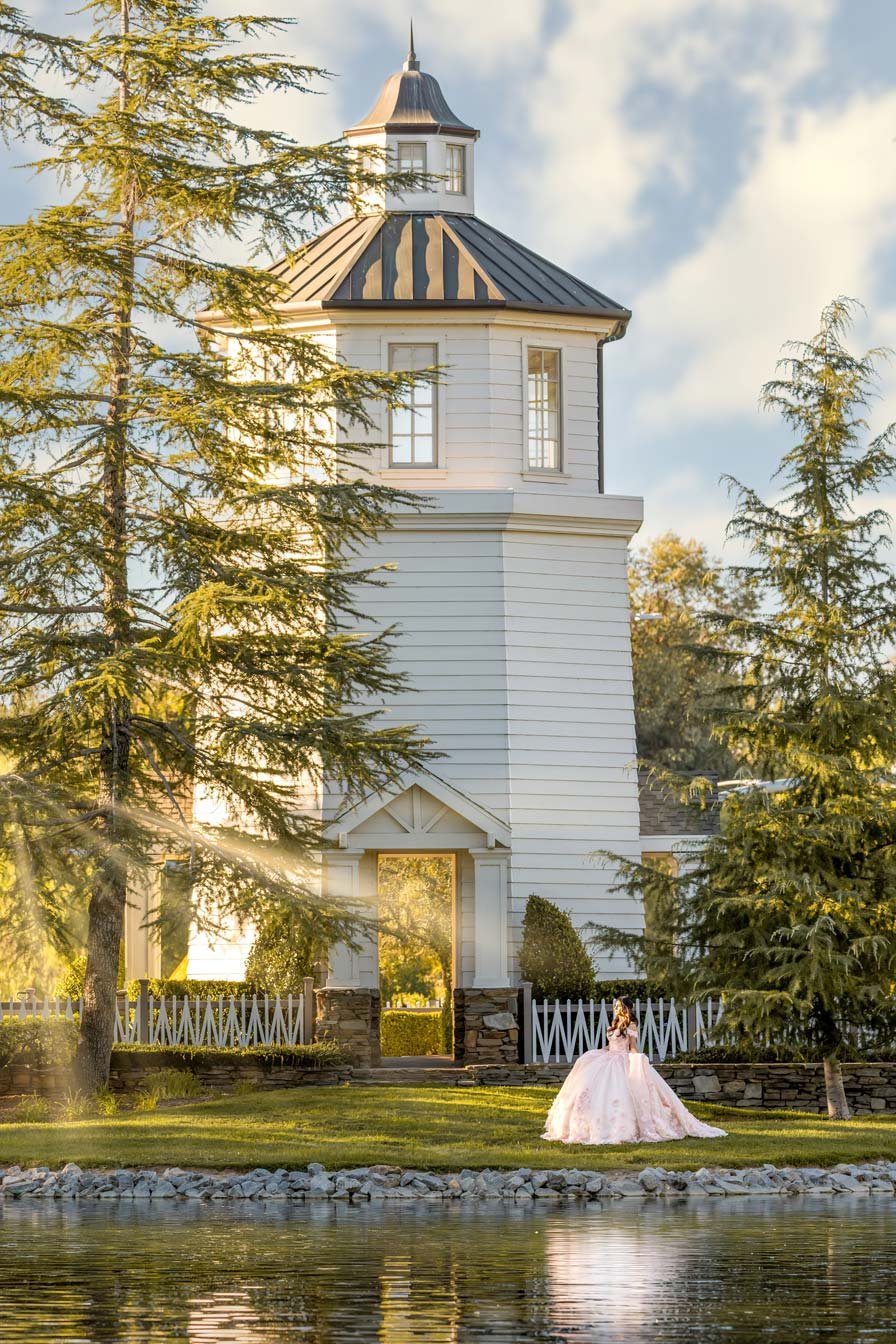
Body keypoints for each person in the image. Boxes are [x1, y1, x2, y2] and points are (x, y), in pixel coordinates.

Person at [542, 996, 727, 1145]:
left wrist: (637, 1061)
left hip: (622, 1060)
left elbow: (632, 1046)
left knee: (624, 1093)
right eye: (615, 1006)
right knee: (589, 1089)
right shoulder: (613, 1025)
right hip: (609, 1059)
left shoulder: (630, 1025)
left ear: (626, 1008)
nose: (615, 1009)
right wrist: (599, 1053)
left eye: (618, 1006)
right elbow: (610, 1045)